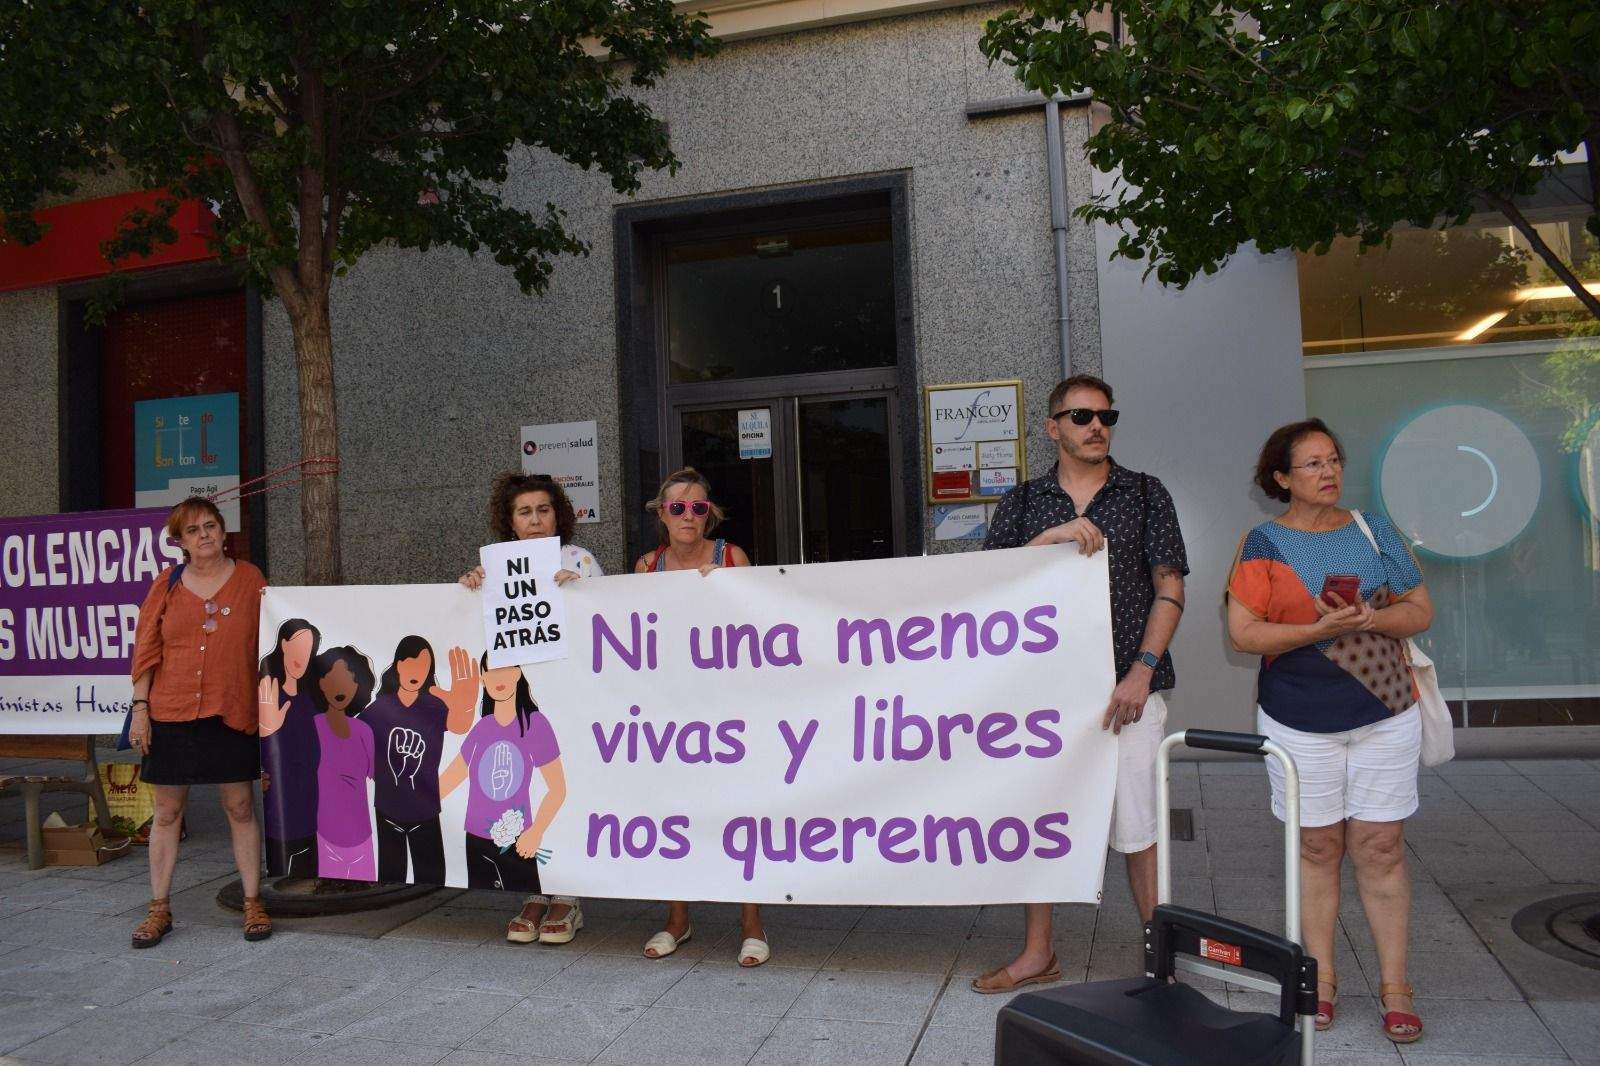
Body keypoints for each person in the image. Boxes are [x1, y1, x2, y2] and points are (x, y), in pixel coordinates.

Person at [972, 375, 1188, 993]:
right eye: (1081, 416)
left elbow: (1170, 587)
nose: (1097, 426)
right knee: (1041, 819)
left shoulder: (1146, 494)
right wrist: (1049, 540)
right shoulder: (1023, 502)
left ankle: (1159, 956)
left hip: (1129, 689)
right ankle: (1038, 952)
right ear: (1053, 427)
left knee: (1139, 827)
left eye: (1106, 415)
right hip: (1044, 694)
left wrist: (1141, 672)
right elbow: (991, 585)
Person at [1227, 418, 1433, 1045]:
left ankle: (1396, 986)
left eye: (1334, 459)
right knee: (1318, 848)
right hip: (1298, 717)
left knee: (1380, 846)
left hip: (1385, 712)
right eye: (1312, 463)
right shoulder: (1262, 543)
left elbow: (1421, 609)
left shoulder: (1375, 530)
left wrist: (1376, 615)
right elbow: (1244, 633)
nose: (1329, 471)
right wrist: (1313, 633)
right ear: (1282, 477)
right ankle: (1321, 979)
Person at [632, 467, 768, 967]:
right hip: (670, 711)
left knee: (739, 810)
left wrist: (733, 588)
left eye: (697, 507)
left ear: (709, 513)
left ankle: (751, 922)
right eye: (677, 507)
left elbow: (759, 629)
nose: (688, 515)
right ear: (661, 514)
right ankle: (678, 917)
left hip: (728, 710)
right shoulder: (646, 566)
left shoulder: (732, 557)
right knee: (674, 811)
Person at [127, 497, 271, 947]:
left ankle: (252, 902)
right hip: (170, 713)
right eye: (193, 530)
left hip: (232, 710)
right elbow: (146, 651)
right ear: (180, 542)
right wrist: (140, 710)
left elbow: (270, 646)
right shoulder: (165, 586)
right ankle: (159, 909)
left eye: (210, 526)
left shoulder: (250, 581)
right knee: (167, 813)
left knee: (241, 808)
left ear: (223, 531)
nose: (204, 535)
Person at [460, 472, 597, 944]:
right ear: (510, 521)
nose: (536, 520)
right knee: (525, 791)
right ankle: (536, 892)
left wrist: (580, 590)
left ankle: (568, 897)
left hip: (570, 697)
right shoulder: (494, 568)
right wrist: (470, 587)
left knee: (561, 788)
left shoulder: (579, 560)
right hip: (523, 703)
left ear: (557, 515)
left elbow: (606, 620)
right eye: (525, 512)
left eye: (543, 510)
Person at [438, 658, 568, 894]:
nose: (499, 678)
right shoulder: (483, 728)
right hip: (475, 840)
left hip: (517, 840)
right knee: (480, 905)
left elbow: (557, 789)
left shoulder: (534, 724)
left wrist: (536, 831)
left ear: (517, 673)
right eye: (491, 671)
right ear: (483, 679)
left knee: (530, 897)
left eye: (505, 669)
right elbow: (452, 776)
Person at [361, 637, 479, 884]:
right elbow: (353, 737)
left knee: (433, 880)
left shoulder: (433, 705)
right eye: (410, 664)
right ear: (398, 665)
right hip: (387, 809)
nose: (417, 672)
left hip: (425, 810)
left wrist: (465, 706)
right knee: (389, 880)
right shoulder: (381, 708)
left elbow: (459, 725)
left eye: (423, 667)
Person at [258, 618, 322, 877]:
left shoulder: (310, 698)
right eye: (298, 646)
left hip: (310, 802)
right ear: (283, 644)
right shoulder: (267, 693)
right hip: (279, 802)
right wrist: (268, 729)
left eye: (309, 649)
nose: (302, 656)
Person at [309, 646, 378, 881]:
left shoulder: (363, 731)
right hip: (323, 834)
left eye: (349, 680)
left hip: (361, 836)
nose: (341, 687)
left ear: (359, 686)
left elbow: (378, 774)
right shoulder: (312, 727)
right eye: (333, 678)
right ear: (320, 683)